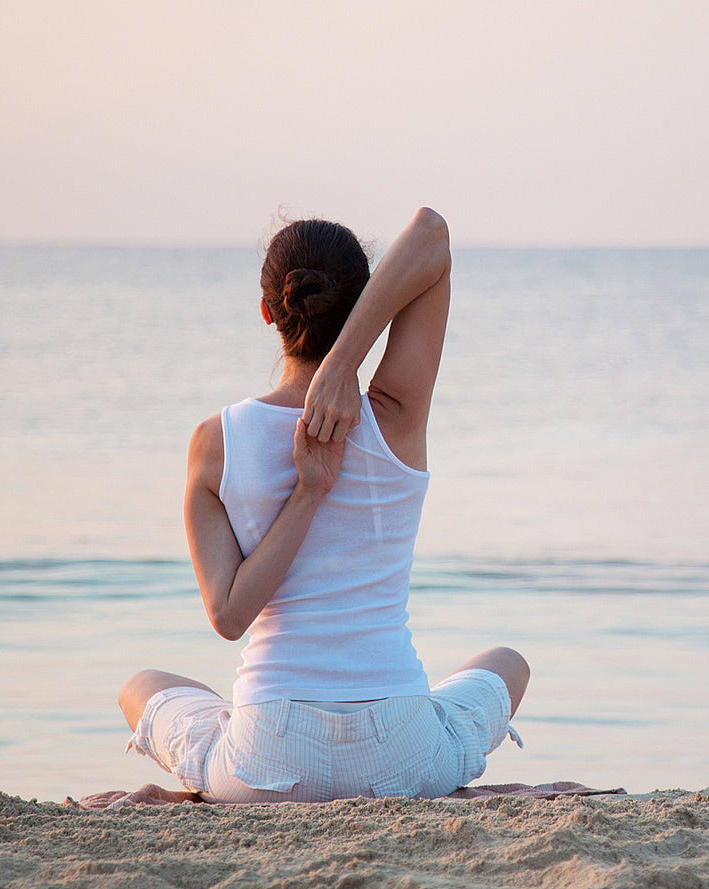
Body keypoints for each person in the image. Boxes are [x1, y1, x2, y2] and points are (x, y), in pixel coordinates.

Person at [116, 208, 529, 803]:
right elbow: (432, 235)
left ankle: (211, 769)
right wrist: (343, 368)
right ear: (367, 306)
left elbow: (229, 618)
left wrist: (310, 488)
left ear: (267, 312)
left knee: (142, 686)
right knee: (506, 661)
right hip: (403, 755)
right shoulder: (393, 416)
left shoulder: (215, 441)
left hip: (265, 762)